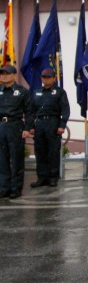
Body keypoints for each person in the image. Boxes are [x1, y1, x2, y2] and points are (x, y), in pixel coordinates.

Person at [29, 68, 70, 188]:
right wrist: (31, 126)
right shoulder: (36, 92)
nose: (45, 79)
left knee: (53, 151)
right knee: (40, 150)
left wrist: (62, 125)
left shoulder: (59, 92)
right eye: (44, 77)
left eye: (48, 77)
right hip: (40, 122)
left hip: (53, 122)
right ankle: (41, 177)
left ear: (54, 79)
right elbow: (31, 111)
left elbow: (65, 110)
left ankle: (53, 177)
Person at [0, 65, 34, 199]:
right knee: (1, 159)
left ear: (14, 76)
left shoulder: (22, 92)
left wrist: (27, 128)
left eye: (6, 73)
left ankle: (16, 188)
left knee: (16, 159)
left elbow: (29, 112)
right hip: (1, 126)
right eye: (2, 73)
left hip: (15, 126)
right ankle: (4, 187)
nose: (3, 76)